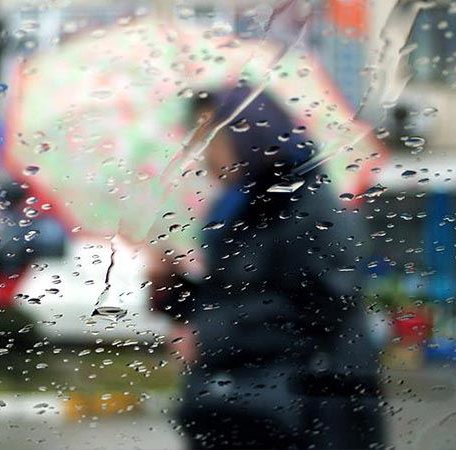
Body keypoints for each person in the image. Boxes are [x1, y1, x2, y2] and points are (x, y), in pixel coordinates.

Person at [150, 84, 385, 449]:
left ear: (253, 132)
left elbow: (320, 310)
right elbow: (234, 297)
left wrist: (208, 336)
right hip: (245, 410)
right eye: (198, 141)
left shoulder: (309, 209)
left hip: (307, 417)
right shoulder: (235, 211)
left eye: (211, 138)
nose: (205, 156)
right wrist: (175, 289)